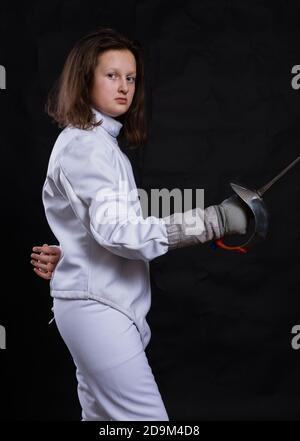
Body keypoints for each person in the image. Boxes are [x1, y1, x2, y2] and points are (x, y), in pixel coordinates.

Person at [31, 27, 251, 421]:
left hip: (100, 307)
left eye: (130, 78)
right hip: (98, 312)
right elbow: (119, 233)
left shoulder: (97, 143)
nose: (124, 87)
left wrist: (69, 254)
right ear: (84, 80)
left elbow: (93, 227)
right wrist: (212, 221)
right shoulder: (86, 147)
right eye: (111, 75)